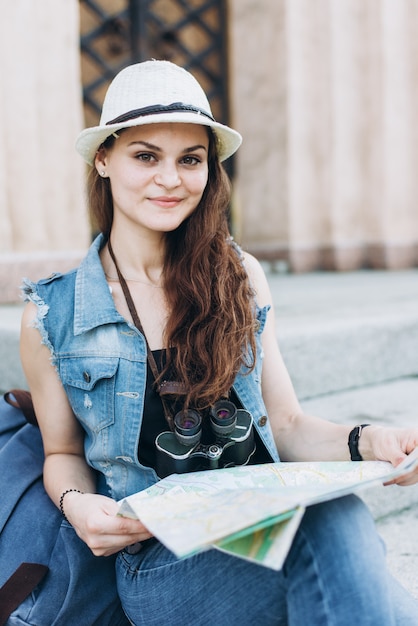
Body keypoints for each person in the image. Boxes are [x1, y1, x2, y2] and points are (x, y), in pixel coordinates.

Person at [19, 59, 418, 626]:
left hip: (269, 522)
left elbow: (285, 426)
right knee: (335, 535)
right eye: (145, 155)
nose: (171, 178)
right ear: (103, 159)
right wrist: (79, 507)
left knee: (336, 533)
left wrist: (368, 440)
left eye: (191, 159)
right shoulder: (52, 314)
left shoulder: (239, 276)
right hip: (163, 562)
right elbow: (60, 453)